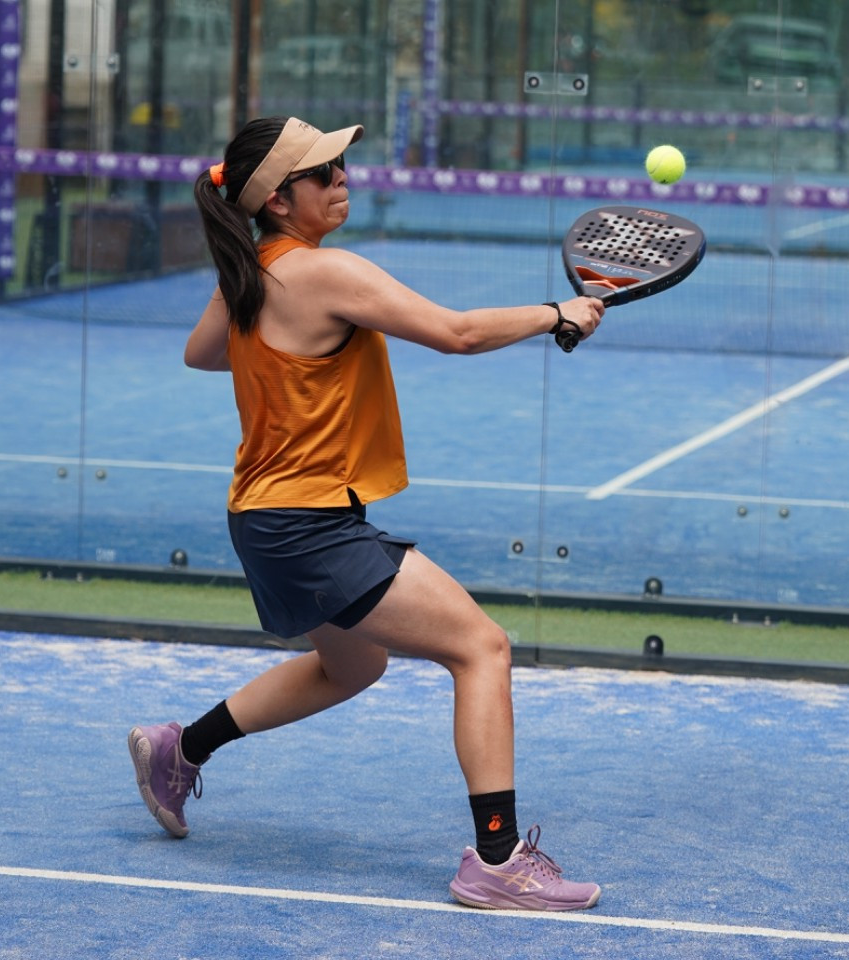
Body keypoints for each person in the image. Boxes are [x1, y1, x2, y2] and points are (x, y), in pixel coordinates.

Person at [128, 116, 605, 912]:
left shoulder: (256, 271)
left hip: (263, 518)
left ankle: (182, 750)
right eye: (324, 171)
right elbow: (456, 334)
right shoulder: (322, 272)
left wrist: (250, 286)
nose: (343, 177)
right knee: (482, 648)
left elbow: (203, 352)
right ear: (278, 200)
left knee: (354, 666)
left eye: (342, 163)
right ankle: (497, 861)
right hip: (309, 525)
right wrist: (556, 312)